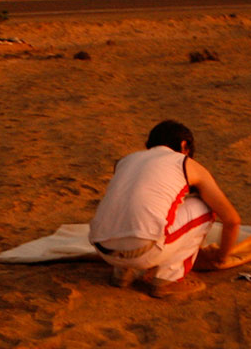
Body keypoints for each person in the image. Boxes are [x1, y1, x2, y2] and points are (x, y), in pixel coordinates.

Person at [87, 120, 242, 299]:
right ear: (184, 146)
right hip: (142, 252)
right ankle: (169, 279)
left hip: (103, 248)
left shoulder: (125, 161)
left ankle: (123, 273)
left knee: (134, 206)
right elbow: (232, 220)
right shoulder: (184, 162)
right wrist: (221, 257)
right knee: (206, 208)